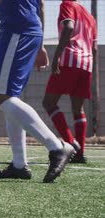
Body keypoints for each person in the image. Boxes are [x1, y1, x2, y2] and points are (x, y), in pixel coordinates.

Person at [0, 0, 75, 183]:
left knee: (4, 98)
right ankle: (19, 165)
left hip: (17, 31)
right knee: (11, 97)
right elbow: (41, 5)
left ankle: (57, 147)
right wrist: (40, 44)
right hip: (28, 31)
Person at [42, 0, 98, 164]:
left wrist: (57, 55)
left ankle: (71, 144)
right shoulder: (90, 16)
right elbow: (94, 48)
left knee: (49, 103)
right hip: (86, 64)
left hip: (69, 59)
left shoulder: (67, 4)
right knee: (78, 108)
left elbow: (68, 27)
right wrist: (89, 66)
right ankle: (80, 152)